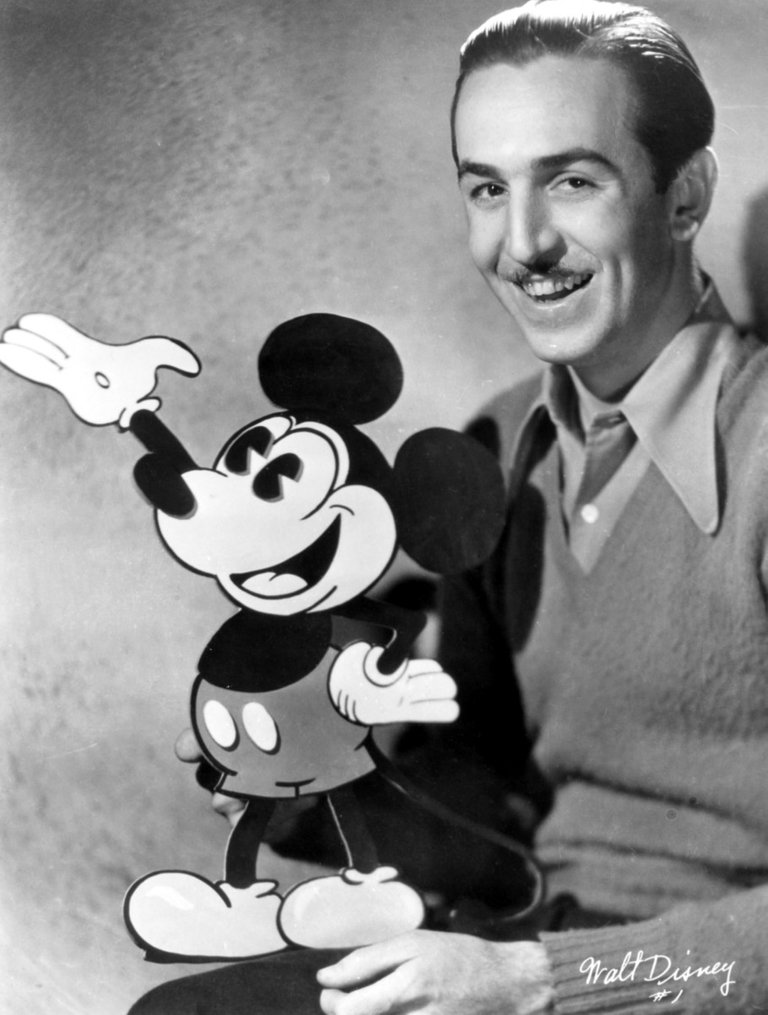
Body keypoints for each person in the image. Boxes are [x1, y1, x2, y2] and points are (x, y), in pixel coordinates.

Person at [130, 2, 768, 1013]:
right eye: (488, 189)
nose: (525, 243)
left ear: (684, 195)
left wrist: (539, 982)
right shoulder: (498, 446)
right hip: (517, 942)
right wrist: (308, 773)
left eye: (572, 180)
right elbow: (484, 781)